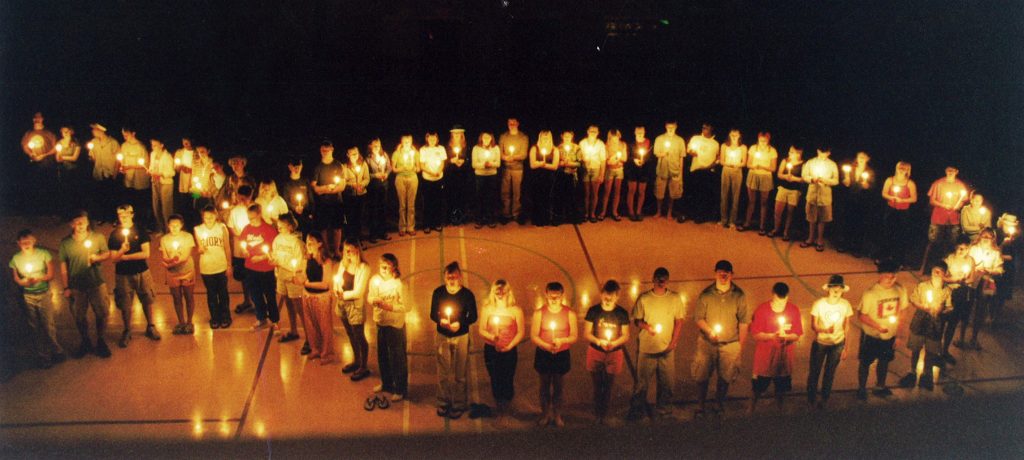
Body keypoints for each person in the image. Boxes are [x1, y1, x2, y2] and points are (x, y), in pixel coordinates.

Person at [627, 267, 686, 421]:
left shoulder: (674, 298)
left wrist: (674, 342)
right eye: (658, 278)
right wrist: (647, 327)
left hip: (667, 349)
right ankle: (637, 411)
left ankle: (664, 410)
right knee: (641, 384)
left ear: (668, 281)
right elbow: (637, 320)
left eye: (664, 278)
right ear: (653, 279)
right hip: (647, 349)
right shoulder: (644, 299)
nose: (661, 281)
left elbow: (679, 321)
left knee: (667, 383)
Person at [693, 260, 749, 415]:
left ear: (732, 275)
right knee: (702, 376)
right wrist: (709, 331)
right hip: (707, 343)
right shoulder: (706, 294)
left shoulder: (739, 295)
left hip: (730, 344)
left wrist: (740, 347)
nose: (723, 275)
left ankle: (718, 404)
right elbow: (699, 318)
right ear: (715, 274)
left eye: (726, 273)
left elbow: (744, 322)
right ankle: (701, 405)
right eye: (720, 272)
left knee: (725, 377)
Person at [58, 211, 112, 358]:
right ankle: (85, 340)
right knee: (79, 316)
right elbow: (63, 267)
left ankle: (101, 340)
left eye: (83, 221)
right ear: (71, 224)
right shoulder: (66, 243)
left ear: (88, 222)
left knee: (102, 313)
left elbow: (107, 254)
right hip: (76, 286)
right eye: (77, 222)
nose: (80, 225)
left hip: (96, 283)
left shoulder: (98, 237)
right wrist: (66, 287)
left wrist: (97, 257)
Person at [10, 229, 65, 368]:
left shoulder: (43, 254)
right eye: (23, 242)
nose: (26, 244)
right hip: (28, 295)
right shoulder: (16, 259)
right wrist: (24, 282)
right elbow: (16, 278)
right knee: (34, 326)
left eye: (28, 241)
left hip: (44, 294)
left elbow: (50, 274)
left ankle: (56, 350)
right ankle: (42, 355)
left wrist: (38, 278)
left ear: (34, 240)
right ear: (18, 243)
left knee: (48, 325)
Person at [430, 261, 478, 419]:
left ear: (460, 277)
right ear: (444, 277)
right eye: (448, 277)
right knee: (442, 373)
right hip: (443, 336)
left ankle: (459, 404)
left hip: (461, 336)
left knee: (460, 373)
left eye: (454, 277)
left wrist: (460, 324)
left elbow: (473, 316)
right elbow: (432, 314)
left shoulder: (467, 295)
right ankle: (443, 401)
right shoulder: (438, 293)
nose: (451, 280)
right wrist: (440, 321)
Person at [856, 260, 909, 400]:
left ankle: (880, 386)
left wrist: (898, 334)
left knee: (884, 361)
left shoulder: (900, 290)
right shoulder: (871, 294)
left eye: (893, 276)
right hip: (871, 335)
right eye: (887, 276)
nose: (890, 280)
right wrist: (877, 326)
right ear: (880, 276)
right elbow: (862, 315)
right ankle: (861, 388)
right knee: (865, 362)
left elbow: (903, 311)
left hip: (889, 336)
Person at [108, 204, 160, 347]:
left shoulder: (141, 231)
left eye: (126, 214)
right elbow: (113, 258)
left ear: (132, 214)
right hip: (123, 275)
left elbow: (146, 253)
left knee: (147, 299)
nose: (123, 218)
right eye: (120, 215)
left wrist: (125, 257)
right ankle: (127, 330)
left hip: (141, 271)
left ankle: (150, 326)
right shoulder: (114, 235)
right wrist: (121, 251)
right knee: (125, 303)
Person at [748, 282, 802, 413]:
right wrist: (772, 336)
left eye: (783, 302)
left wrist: (787, 338)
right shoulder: (762, 310)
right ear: (772, 295)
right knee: (757, 389)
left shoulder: (793, 310)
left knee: (781, 389)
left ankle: (780, 411)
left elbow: (797, 334)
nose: (780, 305)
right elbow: (755, 334)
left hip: (783, 360)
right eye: (778, 301)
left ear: (787, 297)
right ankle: (751, 410)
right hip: (765, 360)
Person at [898, 264, 952, 391]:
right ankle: (912, 371)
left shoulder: (947, 290)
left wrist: (941, 309)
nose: (936, 274)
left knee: (931, 350)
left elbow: (950, 307)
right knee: (915, 348)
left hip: (935, 324)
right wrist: (924, 307)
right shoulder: (922, 286)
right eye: (934, 271)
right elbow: (913, 299)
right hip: (920, 321)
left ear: (945, 274)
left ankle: (927, 374)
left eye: (940, 272)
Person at [530, 281, 577, 427]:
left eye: (557, 297)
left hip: (561, 354)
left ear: (563, 295)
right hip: (544, 353)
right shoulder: (540, 313)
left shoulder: (569, 313)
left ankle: (557, 414)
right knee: (544, 385)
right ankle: (545, 414)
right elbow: (534, 335)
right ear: (546, 295)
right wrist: (546, 345)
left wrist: (562, 341)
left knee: (558, 386)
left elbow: (574, 335)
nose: (554, 300)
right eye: (551, 297)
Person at [478, 279, 526, 422]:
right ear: (493, 292)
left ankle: (507, 405)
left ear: (508, 292)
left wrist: (510, 346)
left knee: (508, 377)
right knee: (495, 377)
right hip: (492, 350)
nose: (500, 294)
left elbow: (521, 332)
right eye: (497, 291)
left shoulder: (516, 310)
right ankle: (498, 404)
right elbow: (481, 329)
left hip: (509, 350)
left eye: (502, 291)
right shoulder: (487, 309)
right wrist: (493, 337)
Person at [584, 280, 630, 424]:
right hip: (596, 351)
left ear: (617, 297)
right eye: (606, 295)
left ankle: (604, 413)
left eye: (612, 296)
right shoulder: (594, 311)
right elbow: (587, 333)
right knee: (597, 385)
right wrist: (599, 342)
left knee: (609, 385)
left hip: (614, 353)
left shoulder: (621, 313)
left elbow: (625, 335)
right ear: (601, 294)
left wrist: (613, 343)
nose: (608, 299)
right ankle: (597, 412)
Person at [806, 275, 854, 408]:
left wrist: (846, 347)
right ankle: (811, 397)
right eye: (834, 287)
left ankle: (824, 398)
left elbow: (847, 326)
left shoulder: (845, 305)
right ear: (829, 289)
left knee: (830, 372)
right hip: (820, 343)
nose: (836, 291)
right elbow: (813, 326)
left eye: (839, 288)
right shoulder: (819, 304)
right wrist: (825, 330)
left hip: (837, 344)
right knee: (814, 371)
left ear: (843, 290)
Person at [368, 253, 408, 403]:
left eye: (386, 267)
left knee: (397, 358)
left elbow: (407, 306)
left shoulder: (399, 285)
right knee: (382, 355)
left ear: (394, 267)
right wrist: (374, 300)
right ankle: (386, 383)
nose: (382, 269)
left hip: (395, 325)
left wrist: (389, 306)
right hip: (380, 323)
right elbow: (369, 296)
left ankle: (400, 389)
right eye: (380, 266)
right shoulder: (374, 281)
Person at [240, 203, 280, 331]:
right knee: (255, 295)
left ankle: (275, 320)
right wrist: (244, 252)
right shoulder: (246, 229)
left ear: (259, 215)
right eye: (249, 218)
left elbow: (274, 250)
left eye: (253, 218)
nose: (251, 221)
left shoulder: (269, 230)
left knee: (270, 295)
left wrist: (261, 257)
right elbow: (243, 244)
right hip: (250, 268)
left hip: (266, 269)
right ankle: (261, 318)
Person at [923, 167, 970, 273]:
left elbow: (963, 200)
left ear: (957, 172)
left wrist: (957, 206)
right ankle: (930, 269)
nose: (950, 172)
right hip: (938, 217)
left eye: (952, 170)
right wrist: (943, 204)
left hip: (953, 219)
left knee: (952, 244)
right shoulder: (938, 183)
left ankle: (949, 269)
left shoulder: (960, 185)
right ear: (945, 171)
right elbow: (932, 200)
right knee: (934, 243)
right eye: (948, 170)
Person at [962, 228, 1003, 350]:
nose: (986, 239)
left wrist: (989, 270)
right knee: (967, 307)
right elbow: (966, 262)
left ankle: (974, 338)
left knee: (980, 310)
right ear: (980, 237)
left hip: (986, 282)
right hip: (972, 280)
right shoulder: (973, 249)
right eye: (984, 236)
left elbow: (1000, 269)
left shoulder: (996, 253)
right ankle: (961, 337)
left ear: (993, 239)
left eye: (989, 237)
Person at [336, 240, 371, 381]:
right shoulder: (343, 264)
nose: (347, 253)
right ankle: (356, 360)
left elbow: (359, 291)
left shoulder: (364, 267)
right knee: (350, 333)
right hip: (342, 305)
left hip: (354, 306)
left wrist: (343, 295)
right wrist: (336, 289)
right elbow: (337, 281)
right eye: (345, 250)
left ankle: (364, 365)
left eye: (350, 250)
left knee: (359, 336)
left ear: (357, 250)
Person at [299, 233, 336, 365]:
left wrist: (306, 284)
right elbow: (304, 275)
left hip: (321, 298)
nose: (308, 244)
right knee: (310, 324)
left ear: (320, 243)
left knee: (324, 326)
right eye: (307, 241)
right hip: (308, 295)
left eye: (311, 241)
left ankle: (327, 353)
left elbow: (325, 283)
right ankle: (315, 349)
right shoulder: (307, 259)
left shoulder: (326, 261)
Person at [195, 205, 232, 329]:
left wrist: (229, 265)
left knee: (223, 293)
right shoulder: (198, 229)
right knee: (211, 294)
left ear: (216, 216)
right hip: (206, 267)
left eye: (211, 217)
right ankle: (214, 317)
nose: (209, 219)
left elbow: (227, 247)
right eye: (206, 217)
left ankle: (226, 316)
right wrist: (200, 249)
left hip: (220, 265)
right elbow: (199, 248)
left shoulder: (222, 228)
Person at [271, 214, 306, 346]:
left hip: (293, 278)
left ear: (290, 227)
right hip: (281, 276)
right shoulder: (277, 240)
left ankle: (309, 338)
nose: (279, 227)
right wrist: (274, 263)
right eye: (278, 224)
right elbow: (274, 255)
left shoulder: (296, 242)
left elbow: (299, 262)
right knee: (288, 305)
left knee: (299, 308)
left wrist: (281, 263)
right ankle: (293, 330)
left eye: (282, 225)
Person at [160, 214, 197, 335]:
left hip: (187, 271)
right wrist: (170, 261)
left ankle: (189, 322)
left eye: (177, 225)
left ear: (181, 225)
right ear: (168, 225)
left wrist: (169, 265)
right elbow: (165, 256)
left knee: (189, 296)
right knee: (176, 298)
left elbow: (185, 257)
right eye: (172, 225)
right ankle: (181, 322)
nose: (174, 227)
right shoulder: (164, 239)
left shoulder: (188, 237)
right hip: (172, 273)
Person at [836, 151, 876, 256]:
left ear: (868, 158)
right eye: (859, 156)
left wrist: (867, 186)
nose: (861, 158)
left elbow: (872, 187)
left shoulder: (870, 172)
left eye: (864, 157)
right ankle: (844, 244)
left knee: (859, 224)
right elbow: (845, 183)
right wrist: (846, 181)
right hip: (849, 200)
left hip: (862, 202)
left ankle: (857, 247)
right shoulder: (851, 169)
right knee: (847, 221)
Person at [879, 161, 918, 268]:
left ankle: (898, 260)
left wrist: (902, 200)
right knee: (887, 233)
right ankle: (884, 257)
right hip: (890, 210)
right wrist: (892, 197)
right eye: (900, 168)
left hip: (903, 212)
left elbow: (914, 198)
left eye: (904, 169)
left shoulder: (910, 183)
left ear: (908, 171)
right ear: (896, 168)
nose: (902, 170)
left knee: (900, 235)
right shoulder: (889, 180)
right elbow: (884, 193)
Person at [800, 146, 839, 252]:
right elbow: (804, 175)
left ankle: (820, 240)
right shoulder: (811, 162)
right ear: (817, 151)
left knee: (822, 219)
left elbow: (836, 180)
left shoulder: (832, 164)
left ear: (829, 153)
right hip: (812, 194)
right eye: (821, 152)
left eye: (825, 152)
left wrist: (825, 180)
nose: (823, 154)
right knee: (811, 218)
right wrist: (812, 179)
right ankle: (810, 238)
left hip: (825, 195)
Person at [311, 140, 346, 256]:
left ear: (332, 150)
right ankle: (326, 250)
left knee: (337, 227)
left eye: (327, 150)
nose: (324, 152)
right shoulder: (318, 167)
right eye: (322, 150)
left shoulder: (338, 165)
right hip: (322, 204)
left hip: (337, 203)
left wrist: (324, 190)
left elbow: (342, 186)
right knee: (324, 228)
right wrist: (327, 187)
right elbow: (314, 188)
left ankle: (336, 250)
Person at [941, 240, 974, 363]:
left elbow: (972, 277)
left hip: (961, 293)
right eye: (960, 248)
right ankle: (936, 351)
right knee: (942, 322)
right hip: (949, 293)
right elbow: (942, 276)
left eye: (965, 249)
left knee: (953, 323)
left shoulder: (970, 260)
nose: (962, 251)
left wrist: (965, 281)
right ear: (955, 247)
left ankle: (945, 351)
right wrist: (953, 279)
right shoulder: (948, 260)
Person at [741, 131, 778, 234]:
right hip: (753, 175)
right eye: (761, 140)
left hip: (765, 177)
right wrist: (754, 166)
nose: (762, 143)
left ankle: (762, 226)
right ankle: (747, 223)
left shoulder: (772, 151)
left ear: (768, 140)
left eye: (765, 141)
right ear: (758, 139)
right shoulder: (753, 148)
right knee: (751, 201)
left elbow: (773, 168)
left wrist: (763, 167)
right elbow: (748, 164)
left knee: (763, 202)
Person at [119, 127, 152, 231]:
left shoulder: (140, 147)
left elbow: (145, 164)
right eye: (123, 135)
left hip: (140, 179)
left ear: (133, 133)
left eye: (127, 135)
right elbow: (122, 160)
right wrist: (122, 167)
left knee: (141, 201)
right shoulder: (124, 146)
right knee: (130, 200)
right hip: (129, 178)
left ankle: (144, 224)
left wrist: (131, 166)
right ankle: (132, 223)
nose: (125, 137)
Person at [228, 185, 254, 315]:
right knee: (243, 276)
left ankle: (257, 301)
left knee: (255, 276)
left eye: (246, 199)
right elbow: (231, 227)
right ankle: (247, 300)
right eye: (241, 198)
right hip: (239, 250)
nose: (243, 201)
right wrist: (238, 234)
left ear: (250, 196)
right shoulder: (235, 211)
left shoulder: (255, 210)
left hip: (254, 249)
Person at [686, 123, 720, 223]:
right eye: (703, 127)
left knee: (705, 194)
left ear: (711, 129)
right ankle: (693, 214)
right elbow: (689, 150)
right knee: (694, 193)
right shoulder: (695, 138)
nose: (704, 129)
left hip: (708, 171)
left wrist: (713, 164)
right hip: (696, 169)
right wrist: (691, 152)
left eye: (707, 127)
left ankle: (703, 216)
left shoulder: (715, 143)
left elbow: (718, 157)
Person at [86, 123, 120, 223]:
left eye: (95, 130)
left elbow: (118, 159)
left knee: (111, 196)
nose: (93, 132)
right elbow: (93, 158)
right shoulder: (94, 142)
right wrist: (91, 155)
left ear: (101, 131)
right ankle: (102, 217)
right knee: (100, 196)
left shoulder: (113, 142)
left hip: (109, 173)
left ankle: (113, 218)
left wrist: (115, 173)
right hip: (98, 173)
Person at [653, 121, 686, 221]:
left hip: (674, 170)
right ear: (665, 127)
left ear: (676, 127)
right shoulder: (659, 139)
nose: (670, 129)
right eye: (668, 127)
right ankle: (659, 211)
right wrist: (663, 153)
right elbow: (656, 153)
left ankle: (669, 212)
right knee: (660, 192)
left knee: (672, 193)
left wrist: (681, 172)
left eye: (672, 127)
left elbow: (682, 157)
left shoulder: (680, 140)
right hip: (662, 170)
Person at [770, 146, 805, 240]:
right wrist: (785, 177)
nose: (790, 154)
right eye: (790, 152)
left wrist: (794, 179)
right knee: (777, 211)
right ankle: (776, 228)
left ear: (799, 153)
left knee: (790, 212)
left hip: (794, 191)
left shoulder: (803, 164)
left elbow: (804, 179)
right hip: (783, 188)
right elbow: (779, 174)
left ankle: (786, 231)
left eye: (792, 152)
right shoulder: (785, 161)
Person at [499, 118, 529, 224]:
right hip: (506, 169)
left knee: (517, 192)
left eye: (514, 123)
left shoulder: (523, 137)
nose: (511, 124)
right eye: (509, 123)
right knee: (505, 192)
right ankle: (506, 214)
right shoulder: (503, 136)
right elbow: (500, 152)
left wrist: (514, 157)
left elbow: (524, 154)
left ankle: (516, 214)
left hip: (518, 169)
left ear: (518, 123)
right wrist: (505, 158)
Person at [528, 131, 559, 226]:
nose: (545, 139)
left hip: (549, 178)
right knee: (537, 197)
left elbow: (554, 166)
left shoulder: (555, 150)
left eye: (547, 137)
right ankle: (537, 219)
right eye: (543, 137)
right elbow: (532, 165)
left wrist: (541, 164)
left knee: (547, 197)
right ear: (539, 138)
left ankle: (546, 219)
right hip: (537, 178)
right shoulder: (534, 148)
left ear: (550, 138)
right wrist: (540, 164)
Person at [718, 129, 747, 229]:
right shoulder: (724, 146)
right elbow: (721, 161)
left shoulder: (743, 147)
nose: (734, 136)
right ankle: (723, 220)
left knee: (736, 196)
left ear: (740, 135)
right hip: (726, 170)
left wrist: (737, 165)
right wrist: (728, 164)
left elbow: (744, 162)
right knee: (724, 194)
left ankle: (732, 221)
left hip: (737, 171)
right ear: (729, 135)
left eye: (736, 134)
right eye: (732, 134)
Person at [419, 133, 447, 233]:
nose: (432, 140)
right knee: (427, 202)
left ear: (437, 138)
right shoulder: (423, 149)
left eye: (434, 138)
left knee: (438, 202)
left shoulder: (441, 149)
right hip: (427, 179)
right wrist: (430, 172)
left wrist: (438, 171)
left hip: (438, 178)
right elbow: (422, 165)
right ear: (427, 138)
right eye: (429, 138)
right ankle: (427, 224)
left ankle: (437, 223)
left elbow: (443, 163)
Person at [624, 126, 654, 222]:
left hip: (644, 170)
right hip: (632, 170)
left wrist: (644, 160)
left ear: (644, 132)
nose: (640, 134)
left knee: (641, 192)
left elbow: (651, 157)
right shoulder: (631, 144)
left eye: (641, 132)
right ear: (635, 132)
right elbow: (627, 157)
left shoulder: (648, 143)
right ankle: (631, 212)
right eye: (638, 132)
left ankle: (639, 211)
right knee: (631, 191)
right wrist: (634, 160)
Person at [472, 132, 501, 229]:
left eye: (488, 137)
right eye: (484, 137)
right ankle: (479, 219)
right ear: (481, 138)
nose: (486, 139)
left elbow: (498, 163)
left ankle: (490, 219)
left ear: (491, 138)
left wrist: (491, 164)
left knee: (491, 197)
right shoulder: (476, 148)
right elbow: (474, 164)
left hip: (492, 175)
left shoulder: (496, 148)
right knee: (479, 197)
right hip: (480, 176)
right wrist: (483, 165)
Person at [366, 139, 393, 242]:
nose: (377, 147)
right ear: (370, 146)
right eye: (375, 146)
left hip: (383, 186)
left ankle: (383, 232)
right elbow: (365, 173)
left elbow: (389, 167)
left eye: (379, 145)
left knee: (383, 209)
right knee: (373, 210)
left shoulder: (384, 155)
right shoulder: (367, 159)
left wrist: (386, 174)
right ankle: (373, 234)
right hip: (373, 187)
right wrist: (375, 175)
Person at [392, 135, 419, 237]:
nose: (407, 143)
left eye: (409, 141)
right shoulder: (396, 153)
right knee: (402, 205)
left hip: (412, 178)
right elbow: (394, 169)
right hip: (400, 179)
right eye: (405, 141)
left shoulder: (415, 153)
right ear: (402, 142)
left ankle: (410, 227)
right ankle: (402, 227)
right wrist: (402, 168)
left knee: (411, 205)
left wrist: (413, 167)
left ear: (411, 142)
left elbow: (418, 168)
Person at [554, 131, 582, 225]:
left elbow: (579, 163)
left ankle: (573, 217)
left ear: (572, 136)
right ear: (562, 136)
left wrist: (570, 163)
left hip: (572, 175)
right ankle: (560, 217)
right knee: (561, 196)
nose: (567, 138)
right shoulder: (558, 148)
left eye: (569, 136)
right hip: (562, 175)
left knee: (573, 196)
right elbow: (556, 162)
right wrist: (561, 163)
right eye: (565, 136)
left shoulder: (577, 148)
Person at [579, 125, 607, 223]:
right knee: (587, 193)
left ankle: (593, 213)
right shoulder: (582, 143)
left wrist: (602, 174)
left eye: (595, 131)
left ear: (598, 133)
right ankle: (586, 213)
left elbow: (603, 160)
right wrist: (583, 159)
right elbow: (579, 156)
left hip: (596, 169)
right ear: (587, 131)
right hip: (585, 169)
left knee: (595, 193)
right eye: (591, 131)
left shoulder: (600, 144)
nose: (593, 133)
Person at [342, 147, 370, 241]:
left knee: (359, 217)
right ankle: (351, 239)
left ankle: (359, 239)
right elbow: (343, 182)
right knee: (350, 218)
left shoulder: (363, 164)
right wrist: (352, 185)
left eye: (356, 154)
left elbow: (367, 178)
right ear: (347, 155)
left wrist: (362, 184)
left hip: (361, 194)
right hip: (350, 196)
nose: (354, 156)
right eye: (352, 154)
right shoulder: (345, 166)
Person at [281, 157, 315, 235]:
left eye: (298, 167)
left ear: (302, 166)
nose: (297, 169)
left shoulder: (305, 181)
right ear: (290, 167)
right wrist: (294, 208)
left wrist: (311, 213)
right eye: (294, 167)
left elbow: (311, 198)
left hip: (306, 216)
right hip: (293, 217)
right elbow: (286, 200)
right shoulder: (287, 183)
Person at [149, 138, 175, 233]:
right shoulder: (152, 154)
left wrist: (161, 174)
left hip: (166, 184)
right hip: (155, 183)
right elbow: (151, 167)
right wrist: (150, 171)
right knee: (156, 206)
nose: (153, 147)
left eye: (155, 145)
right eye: (152, 145)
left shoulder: (167, 157)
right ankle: (161, 228)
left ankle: (169, 230)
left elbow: (172, 172)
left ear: (162, 145)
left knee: (166, 208)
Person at [599, 129, 626, 221]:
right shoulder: (606, 146)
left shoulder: (623, 145)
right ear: (609, 138)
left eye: (617, 138)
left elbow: (625, 158)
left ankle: (615, 212)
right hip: (609, 170)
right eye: (613, 138)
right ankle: (603, 212)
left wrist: (618, 158)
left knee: (617, 191)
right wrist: (611, 159)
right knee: (607, 191)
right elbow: (606, 160)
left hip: (619, 170)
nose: (615, 140)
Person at [54, 126, 84, 210]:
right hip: (62, 170)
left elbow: (75, 158)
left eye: (66, 131)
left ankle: (75, 210)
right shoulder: (59, 142)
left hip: (73, 170)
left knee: (73, 190)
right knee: (64, 190)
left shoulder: (76, 142)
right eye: (63, 132)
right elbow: (57, 158)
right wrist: (60, 157)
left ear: (71, 131)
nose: (65, 133)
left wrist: (62, 158)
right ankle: (65, 210)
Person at [446, 127, 470, 225]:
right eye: (454, 133)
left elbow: (469, 159)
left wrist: (463, 161)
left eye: (458, 133)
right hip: (452, 175)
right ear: (452, 135)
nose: (456, 135)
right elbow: (445, 160)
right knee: (452, 195)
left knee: (462, 195)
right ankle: (452, 217)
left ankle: (462, 217)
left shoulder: (466, 146)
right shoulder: (448, 146)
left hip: (463, 175)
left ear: (462, 135)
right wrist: (451, 161)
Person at [173, 138, 195, 221]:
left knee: (194, 202)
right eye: (184, 142)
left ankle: (194, 221)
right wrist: (180, 167)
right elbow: (176, 167)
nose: (186, 144)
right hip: (183, 182)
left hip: (194, 184)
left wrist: (191, 170)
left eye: (188, 142)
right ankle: (185, 221)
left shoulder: (196, 152)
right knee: (184, 203)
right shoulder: (179, 152)